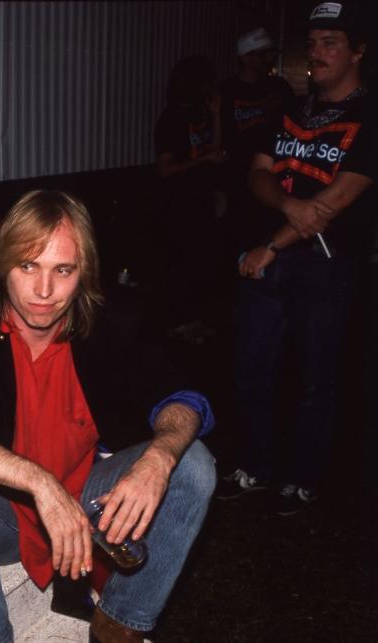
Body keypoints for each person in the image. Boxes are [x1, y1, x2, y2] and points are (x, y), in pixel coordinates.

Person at [0, 191, 216, 643]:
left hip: (90, 500)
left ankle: (120, 625)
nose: (44, 291)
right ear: (3, 263)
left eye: (62, 270)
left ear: (82, 272)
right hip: (5, 512)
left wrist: (159, 459)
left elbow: (185, 396)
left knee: (194, 462)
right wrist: (40, 483)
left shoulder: (112, 320)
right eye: (27, 266)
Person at [220, 2, 375, 515]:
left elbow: (337, 202)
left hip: (328, 264)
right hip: (270, 261)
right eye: (311, 43)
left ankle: (305, 478)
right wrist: (289, 204)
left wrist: (272, 244)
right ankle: (256, 466)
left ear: (358, 50)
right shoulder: (286, 111)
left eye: (331, 42)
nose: (317, 52)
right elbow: (257, 172)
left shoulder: (368, 117)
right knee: (253, 370)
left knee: (317, 377)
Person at [154, 55, 227, 342]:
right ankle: (178, 324)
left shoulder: (201, 114)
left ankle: (194, 321)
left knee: (202, 263)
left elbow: (217, 152)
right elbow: (165, 169)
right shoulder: (171, 118)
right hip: (178, 203)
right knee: (181, 265)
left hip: (201, 200)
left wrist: (218, 114)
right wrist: (204, 160)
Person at [219, 27, 295, 262]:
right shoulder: (227, 91)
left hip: (273, 177)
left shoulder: (280, 88)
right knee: (237, 242)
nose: (269, 59)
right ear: (245, 56)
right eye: (262, 54)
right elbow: (220, 135)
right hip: (237, 180)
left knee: (271, 238)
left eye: (270, 53)